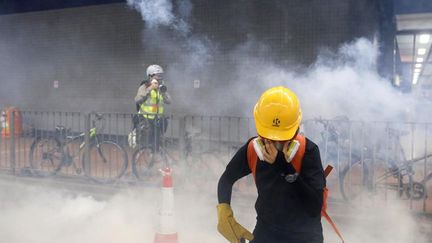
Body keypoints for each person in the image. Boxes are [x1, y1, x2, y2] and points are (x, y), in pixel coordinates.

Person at [216, 86, 326, 243]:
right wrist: (224, 211)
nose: (275, 143)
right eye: (269, 137)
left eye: (282, 138)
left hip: (305, 235)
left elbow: (314, 207)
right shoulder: (253, 150)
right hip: (266, 231)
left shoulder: (307, 151)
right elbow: (226, 179)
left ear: (296, 129)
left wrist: (283, 164)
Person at [133, 64, 171, 150]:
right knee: (146, 144)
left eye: (161, 75)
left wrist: (163, 92)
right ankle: (145, 158)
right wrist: (150, 88)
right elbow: (137, 99)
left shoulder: (160, 88)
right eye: (157, 75)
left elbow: (169, 101)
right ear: (150, 76)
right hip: (146, 121)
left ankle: (155, 158)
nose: (159, 78)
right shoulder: (144, 86)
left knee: (157, 144)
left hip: (158, 120)